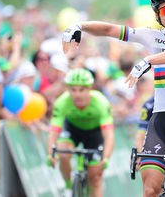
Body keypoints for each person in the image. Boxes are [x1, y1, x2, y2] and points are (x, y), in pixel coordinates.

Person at [62, 0, 165, 197]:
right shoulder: (153, 37)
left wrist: (149, 60)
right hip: (160, 125)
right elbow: (109, 30)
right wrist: (80, 25)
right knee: (151, 189)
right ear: (158, 16)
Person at [47, 68, 114, 197]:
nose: (77, 95)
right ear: (68, 89)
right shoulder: (62, 102)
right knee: (63, 152)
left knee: (95, 176)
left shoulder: (100, 102)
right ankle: (68, 186)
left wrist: (105, 158)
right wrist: (51, 154)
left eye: (82, 90)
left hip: (94, 134)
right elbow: (54, 131)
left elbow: (109, 134)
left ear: (89, 89)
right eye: (73, 90)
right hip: (72, 130)